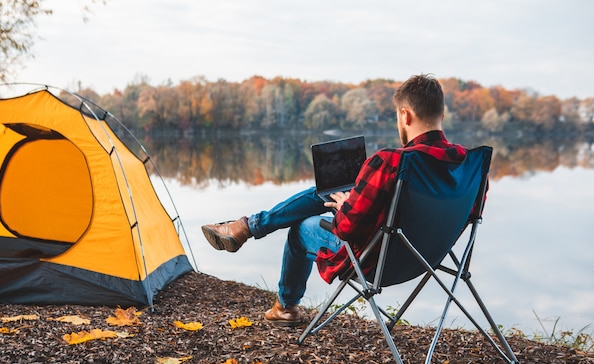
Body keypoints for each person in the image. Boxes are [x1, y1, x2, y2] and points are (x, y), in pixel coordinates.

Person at [201, 74, 469, 327]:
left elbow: (347, 229)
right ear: (441, 115)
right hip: (428, 259)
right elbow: (465, 217)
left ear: (405, 115)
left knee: (303, 227)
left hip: (379, 262)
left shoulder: (391, 162)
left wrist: (345, 208)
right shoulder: (471, 166)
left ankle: (284, 302)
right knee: (329, 193)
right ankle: (247, 226)